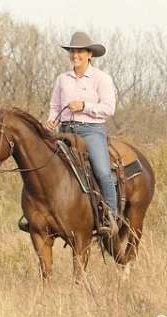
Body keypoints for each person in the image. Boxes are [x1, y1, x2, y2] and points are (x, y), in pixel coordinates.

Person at [43, 31, 118, 237]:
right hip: (64, 130)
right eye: (72, 51)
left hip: (91, 130)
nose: (75, 55)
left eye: (80, 52)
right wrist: (52, 120)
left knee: (103, 171)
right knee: (40, 165)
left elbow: (109, 108)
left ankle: (110, 217)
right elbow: (55, 105)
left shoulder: (101, 78)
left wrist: (84, 106)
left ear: (89, 54)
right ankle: (39, 215)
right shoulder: (62, 79)